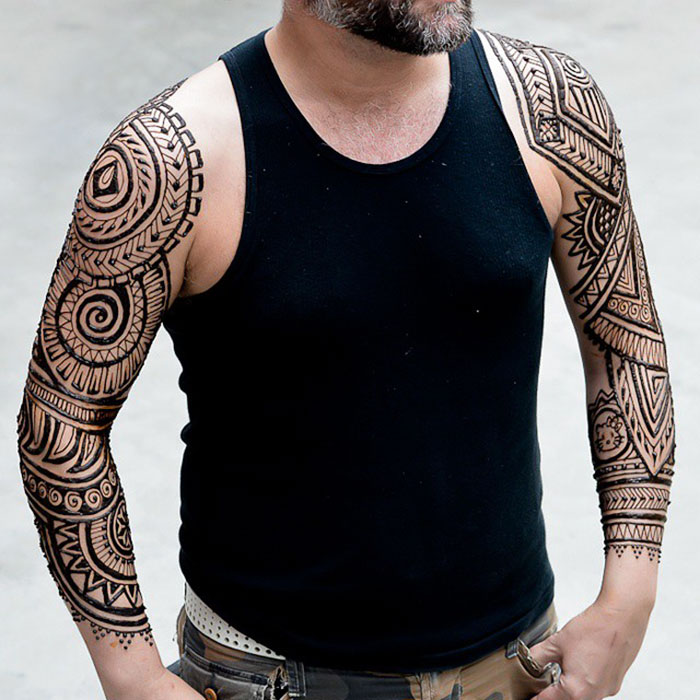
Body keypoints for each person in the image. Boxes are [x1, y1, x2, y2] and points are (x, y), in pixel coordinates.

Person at [16, 1, 676, 698]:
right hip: (266, 674)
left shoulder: (550, 110)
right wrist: (134, 677)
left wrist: (629, 594)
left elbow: (625, 345)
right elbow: (61, 422)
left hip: (515, 664)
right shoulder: (172, 161)